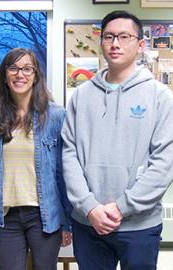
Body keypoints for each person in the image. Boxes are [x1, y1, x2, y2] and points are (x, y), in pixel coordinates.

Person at [61, 10, 173, 270]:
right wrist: (90, 207)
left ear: (140, 45)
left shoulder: (160, 97)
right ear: (101, 42)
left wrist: (122, 207)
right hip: (89, 223)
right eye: (109, 36)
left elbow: (164, 162)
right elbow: (69, 154)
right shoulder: (81, 96)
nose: (115, 43)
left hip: (139, 225)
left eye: (124, 36)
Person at [0, 48, 72, 270]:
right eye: (13, 68)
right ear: (5, 76)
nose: (19, 74)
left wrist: (66, 221)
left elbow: (62, 172)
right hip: (7, 216)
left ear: (36, 76)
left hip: (43, 214)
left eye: (27, 69)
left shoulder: (55, 116)